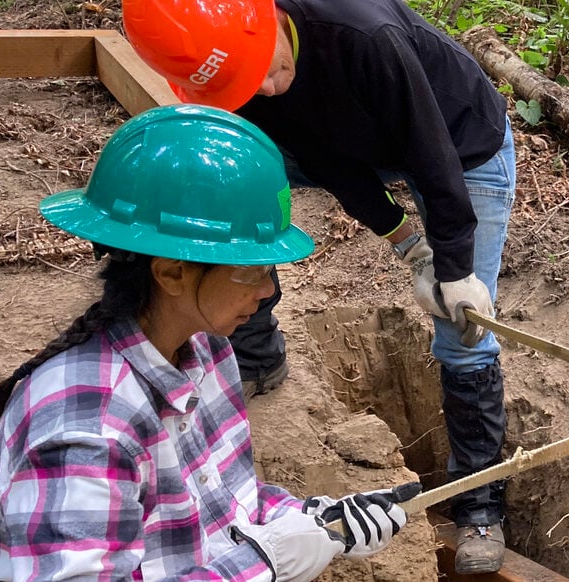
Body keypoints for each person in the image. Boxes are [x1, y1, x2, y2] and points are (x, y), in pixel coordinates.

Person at [123, 0, 516, 571]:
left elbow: (433, 157)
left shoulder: (364, 37)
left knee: (462, 331)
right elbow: (329, 162)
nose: (264, 87)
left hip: (459, 141)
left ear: (270, 18)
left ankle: (478, 504)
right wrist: (407, 240)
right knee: (240, 169)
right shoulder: (259, 89)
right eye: (242, 83)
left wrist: (455, 270)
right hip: (363, 141)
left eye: (263, 67)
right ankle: (254, 354)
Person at [0, 105, 418, 581]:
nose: (268, 290)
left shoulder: (206, 349)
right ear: (171, 273)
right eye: (250, 270)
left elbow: (228, 502)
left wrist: (316, 521)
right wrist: (263, 564)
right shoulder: (87, 432)